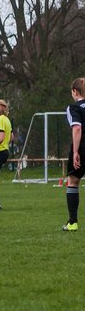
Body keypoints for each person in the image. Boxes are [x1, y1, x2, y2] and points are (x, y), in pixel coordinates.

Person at [63, 80, 85, 231]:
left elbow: (77, 128)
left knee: (73, 181)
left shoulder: (74, 108)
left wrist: (76, 151)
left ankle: (72, 223)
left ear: (75, 91)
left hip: (83, 148)